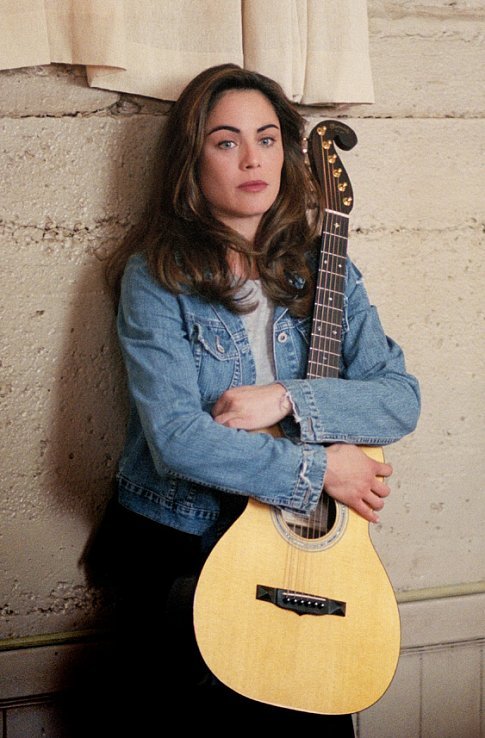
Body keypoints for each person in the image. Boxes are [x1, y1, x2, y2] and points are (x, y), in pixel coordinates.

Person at [102, 63, 420, 734]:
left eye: (267, 138)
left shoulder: (324, 267)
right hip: (185, 541)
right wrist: (323, 468)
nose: (252, 159)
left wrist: (285, 398)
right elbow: (178, 440)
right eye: (226, 141)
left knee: (321, 713)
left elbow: (398, 400)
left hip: (309, 554)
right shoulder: (157, 276)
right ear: (192, 161)